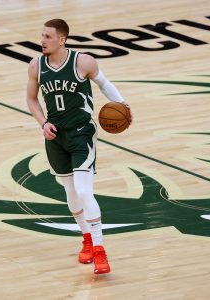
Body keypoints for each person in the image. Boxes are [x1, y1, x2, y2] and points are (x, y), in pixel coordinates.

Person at [26, 19, 132, 275]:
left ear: (62, 39)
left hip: (82, 133)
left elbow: (104, 84)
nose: (43, 40)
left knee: (84, 191)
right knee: (70, 191)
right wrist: (43, 123)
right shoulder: (36, 66)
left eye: (48, 36)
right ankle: (86, 238)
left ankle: (100, 251)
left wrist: (123, 105)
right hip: (56, 137)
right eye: (42, 36)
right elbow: (31, 99)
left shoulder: (83, 62)